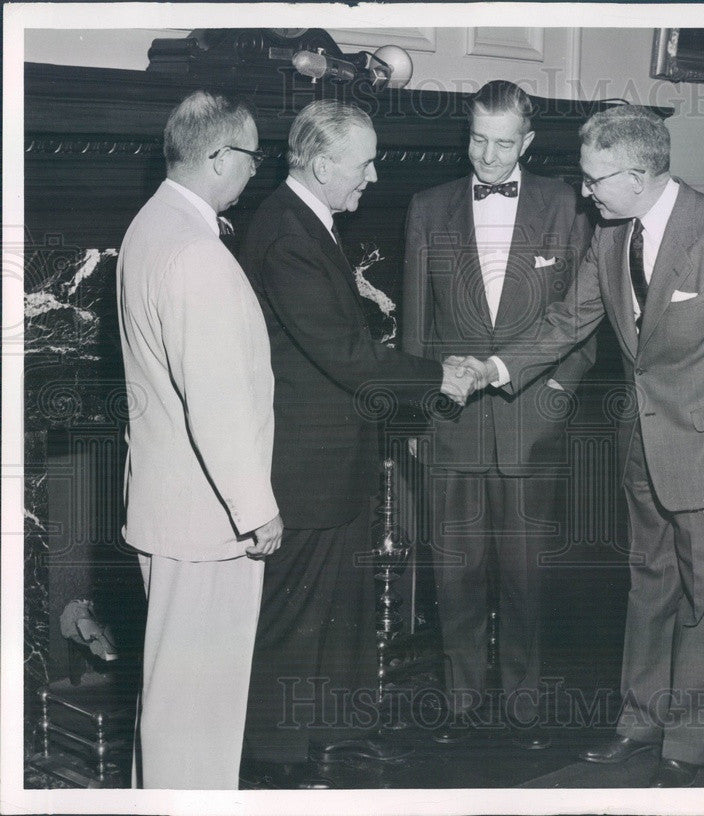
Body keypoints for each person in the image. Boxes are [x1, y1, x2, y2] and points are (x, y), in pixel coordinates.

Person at [458, 104, 704, 786]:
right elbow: (568, 320)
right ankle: (638, 721)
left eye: (595, 179)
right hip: (644, 454)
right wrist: (493, 368)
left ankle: (686, 744)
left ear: (637, 174)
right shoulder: (612, 235)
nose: (584, 191)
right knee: (649, 590)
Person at [239, 99, 470, 785]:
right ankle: (276, 765)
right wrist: (437, 379)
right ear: (321, 163)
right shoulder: (285, 232)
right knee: (295, 621)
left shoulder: (309, 223)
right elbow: (344, 354)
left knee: (339, 611)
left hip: (331, 462)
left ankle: (333, 739)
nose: (373, 176)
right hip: (305, 466)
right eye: (364, 162)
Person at [401, 80, 596, 749]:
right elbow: (415, 335)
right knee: (453, 573)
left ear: (529, 142)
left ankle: (521, 708)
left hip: (532, 428)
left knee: (524, 578)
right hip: (450, 429)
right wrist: (423, 415)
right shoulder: (427, 208)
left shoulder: (568, 207)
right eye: (479, 139)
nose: (488, 155)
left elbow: (581, 327)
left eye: (504, 143)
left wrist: (553, 405)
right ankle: (457, 705)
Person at [116, 90, 282, 789]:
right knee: (198, 722)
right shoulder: (197, 255)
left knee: (170, 709)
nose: (254, 170)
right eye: (251, 157)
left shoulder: (150, 227)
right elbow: (215, 401)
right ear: (217, 158)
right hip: (208, 522)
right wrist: (256, 508)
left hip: (169, 509)